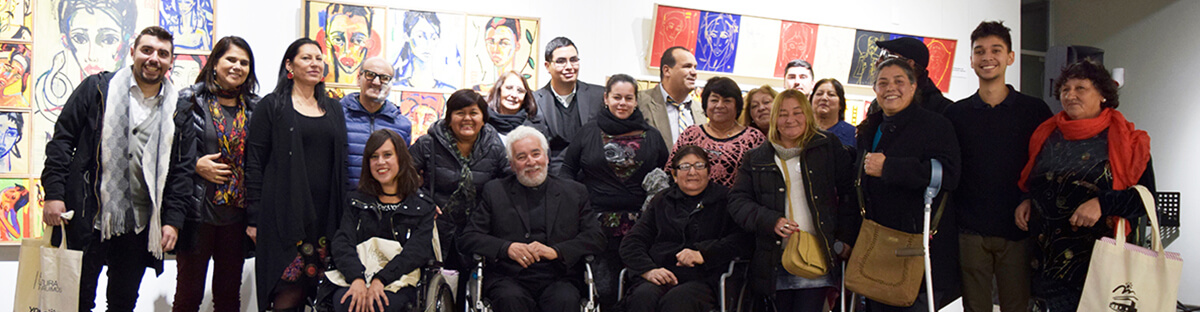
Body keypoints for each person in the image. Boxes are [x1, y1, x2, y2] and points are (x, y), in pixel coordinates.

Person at [41, 26, 185, 312]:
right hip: (88, 216)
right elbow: (62, 141)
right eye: (147, 50)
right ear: (133, 52)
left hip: (139, 225)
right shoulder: (97, 89)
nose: (154, 58)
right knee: (76, 301)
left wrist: (173, 220)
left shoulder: (178, 109)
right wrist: (54, 193)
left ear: (171, 61)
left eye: (162, 53)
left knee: (122, 303)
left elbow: (180, 170)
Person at [1015, 60, 1154, 311]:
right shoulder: (1046, 134)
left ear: (1102, 94)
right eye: (1065, 89)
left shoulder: (1129, 140)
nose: (1070, 95)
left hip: (1100, 266)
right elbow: (1034, 181)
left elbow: (1145, 199)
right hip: (1047, 265)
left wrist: (1103, 203)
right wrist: (1025, 200)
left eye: (1080, 88)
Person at [943, 21, 1052, 312]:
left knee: (1016, 306)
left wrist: (1028, 199)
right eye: (979, 51)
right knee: (974, 307)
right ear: (971, 60)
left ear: (1010, 57)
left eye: (996, 50)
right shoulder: (956, 114)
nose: (987, 57)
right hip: (970, 229)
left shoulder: (1034, 111)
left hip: (1016, 229)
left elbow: (1045, 166)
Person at [727, 88, 858, 311]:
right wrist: (770, 220)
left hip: (816, 255)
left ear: (808, 114)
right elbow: (737, 201)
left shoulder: (827, 146)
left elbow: (850, 194)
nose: (790, 120)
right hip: (773, 259)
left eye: (797, 112)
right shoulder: (756, 157)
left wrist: (844, 240)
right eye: (783, 113)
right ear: (774, 118)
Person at [246, 37, 349, 312]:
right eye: (306, 57)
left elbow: (341, 162)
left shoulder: (334, 108)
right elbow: (254, 163)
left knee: (320, 293)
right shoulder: (272, 106)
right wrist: (253, 218)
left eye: (318, 57)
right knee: (286, 294)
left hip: (325, 217)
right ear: (289, 65)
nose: (315, 63)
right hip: (282, 218)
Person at [459, 125, 606, 312]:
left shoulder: (574, 192)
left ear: (546, 157)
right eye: (521, 157)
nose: (531, 162)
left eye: (536, 154)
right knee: (510, 300)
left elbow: (596, 238)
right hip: (508, 277)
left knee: (564, 300)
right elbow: (469, 238)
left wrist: (557, 251)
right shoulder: (495, 191)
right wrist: (507, 248)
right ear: (512, 165)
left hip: (559, 276)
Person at [855, 59, 961, 311]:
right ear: (875, 91)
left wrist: (890, 167)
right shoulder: (870, 128)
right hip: (876, 248)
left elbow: (949, 175)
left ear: (914, 87)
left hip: (917, 250)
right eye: (883, 83)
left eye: (899, 81)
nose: (890, 88)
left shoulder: (936, 125)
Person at [562, 73, 669, 310]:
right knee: (603, 288)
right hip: (594, 223)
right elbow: (567, 169)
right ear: (606, 98)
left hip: (642, 226)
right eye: (617, 97)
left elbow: (665, 175)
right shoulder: (588, 132)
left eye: (628, 98)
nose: (623, 103)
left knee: (638, 287)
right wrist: (575, 205)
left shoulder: (652, 136)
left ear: (635, 101)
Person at [171, 35, 261, 312]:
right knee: (188, 297)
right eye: (230, 59)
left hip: (237, 218)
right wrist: (196, 164)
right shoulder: (189, 99)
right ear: (215, 63)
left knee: (227, 299)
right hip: (198, 214)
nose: (237, 66)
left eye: (244, 62)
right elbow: (167, 151)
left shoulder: (256, 108)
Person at [620, 145, 752, 312]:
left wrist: (703, 253)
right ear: (674, 175)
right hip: (661, 273)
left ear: (709, 172)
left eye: (699, 166)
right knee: (643, 297)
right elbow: (632, 242)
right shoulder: (661, 201)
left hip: (703, 279)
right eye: (684, 167)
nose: (692, 172)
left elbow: (742, 240)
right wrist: (648, 270)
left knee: (677, 302)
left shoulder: (727, 200)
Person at [331, 129, 435, 312]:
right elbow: (342, 243)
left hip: (399, 280)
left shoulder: (422, 206)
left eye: (387, 155)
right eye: (374, 157)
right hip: (357, 276)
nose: (380, 162)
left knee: (380, 304)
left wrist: (381, 279)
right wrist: (357, 278)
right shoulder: (355, 201)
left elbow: (416, 252)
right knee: (347, 302)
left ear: (401, 159)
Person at [409, 89, 507, 273]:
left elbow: (508, 183)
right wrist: (422, 200)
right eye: (460, 113)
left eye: (473, 113)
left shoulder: (495, 147)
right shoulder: (428, 143)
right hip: (435, 229)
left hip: (478, 230)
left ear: (483, 118)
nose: (467, 118)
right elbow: (403, 175)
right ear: (449, 117)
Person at [670, 76, 765, 188]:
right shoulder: (691, 134)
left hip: (736, 203)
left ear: (737, 106)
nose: (720, 105)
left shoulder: (753, 138)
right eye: (714, 100)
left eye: (727, 101)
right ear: (705, 104)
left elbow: (762, 181)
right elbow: (671, 170)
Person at [532, 37, 605, 174]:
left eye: (573, 60)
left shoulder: (599, 96)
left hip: (591, 178)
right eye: (561, 61)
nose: (569, 67)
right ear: (547, 66)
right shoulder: (535, 101)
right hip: (552, 180)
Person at [344, 56, 413, 189]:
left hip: (384, 203)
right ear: (359, 78)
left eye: (384, 78)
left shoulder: (402, 125)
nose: (376, 82)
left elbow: (405, 170)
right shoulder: (337, 116)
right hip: (343, 202)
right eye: (370, 75)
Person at [638, 46, 706, 147]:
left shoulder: (701, 109)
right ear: (666, 70)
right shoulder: (640, 101)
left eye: (695, 67)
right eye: (687, 66)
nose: (694, 73)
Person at [867, 37, 954, 115]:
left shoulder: (942, 110)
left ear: (909, 64)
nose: (878, 62)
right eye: (880, 55)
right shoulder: (878, 104)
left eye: (886, 55)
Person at [395, 10, 456, 91]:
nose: (428, 44)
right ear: (406, 37)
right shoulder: (396, 88)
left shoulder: (449, 90)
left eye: (433, 38)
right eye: (420, 36)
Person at [487, 70, 548, 141]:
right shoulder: (483, 122)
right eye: (509, 88)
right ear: (499, 90)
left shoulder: (537, 127)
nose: (514, 95)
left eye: (520, 91)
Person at [810, 78, 856, 148]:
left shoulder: (853, 134)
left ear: (841, 104)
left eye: (831, 95)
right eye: (819, 94)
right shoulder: (800, 130)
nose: (824, 98)